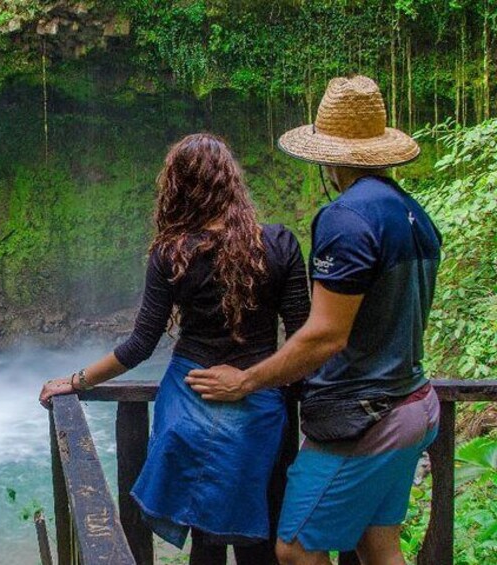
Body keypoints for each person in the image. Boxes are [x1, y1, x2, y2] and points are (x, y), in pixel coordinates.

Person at [185, 76, 442, 565]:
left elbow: (325, 334)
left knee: (296, 549)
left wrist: (247, 380)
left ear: (327, 154)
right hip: (414, 403)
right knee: (379, 545)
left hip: (365, 416)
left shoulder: (345, 218)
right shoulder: (415, 214)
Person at [39, 133, 310, 564]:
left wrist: (75, 381)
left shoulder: (173, 253)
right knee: (261, 526)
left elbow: (140, 345)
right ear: (231, 183)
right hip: (260, 402)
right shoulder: (279, 245)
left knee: (204, 535)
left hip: (189, 403)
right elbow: (304, 339)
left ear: (178, 188)